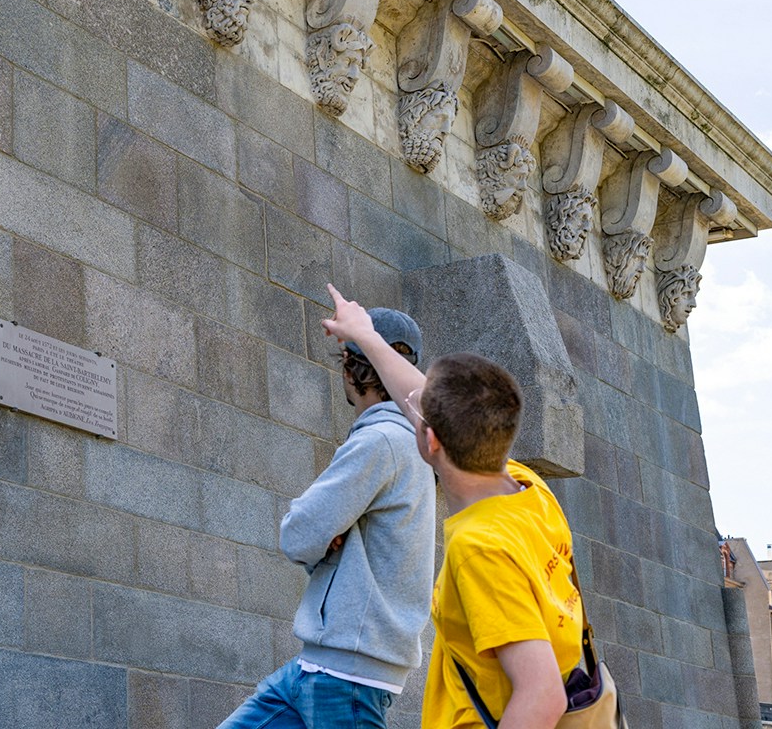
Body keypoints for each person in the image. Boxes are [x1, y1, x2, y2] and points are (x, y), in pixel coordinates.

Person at [323, 284, 583, 729]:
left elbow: (541, 696)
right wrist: (365, 335)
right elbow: (424, 402)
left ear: (430, 441)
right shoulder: (531, 490)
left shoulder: (479, 547)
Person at [217, 306, 437, 729]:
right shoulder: (405, 444)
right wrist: (330, 535)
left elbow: (298, 533)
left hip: (349, 674)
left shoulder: (380, 441)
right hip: (320, 666)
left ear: (352, 368)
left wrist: (323, 539)